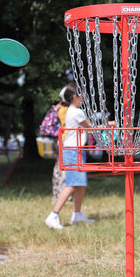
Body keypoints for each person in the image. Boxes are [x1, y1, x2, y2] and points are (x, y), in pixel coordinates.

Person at [45, 84, 95, 229]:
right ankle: (53, 215)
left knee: (81, 184)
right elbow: (90, 129)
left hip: (76, 150)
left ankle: (77, 214)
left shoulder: (70, 111)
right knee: (72, 184)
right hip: (73, 151)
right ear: (74, 97)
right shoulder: (77, 112)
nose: (84, 98)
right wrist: (111, 124)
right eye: (82, 96)